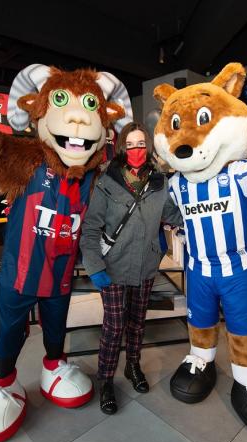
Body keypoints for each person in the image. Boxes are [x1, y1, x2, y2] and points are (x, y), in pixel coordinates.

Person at [80, 122, 183, 415]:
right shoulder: (106, 181)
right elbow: (90, 229)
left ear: (148, 147)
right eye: (131, 144)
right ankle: (106, 380)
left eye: (142, 144)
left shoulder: (159, 182)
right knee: (114, 327)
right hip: (112, 268)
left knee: (138, 323)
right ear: (122, 147)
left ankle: (133, 366)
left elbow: (172, 215)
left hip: (146, 266)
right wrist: (95, 267)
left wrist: (195, 219)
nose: (137, 150)